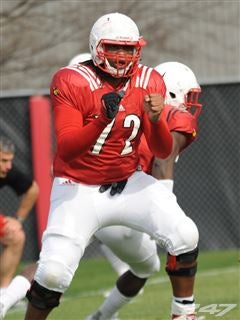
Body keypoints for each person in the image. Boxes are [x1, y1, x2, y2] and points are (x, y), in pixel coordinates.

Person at [24, 12, 199, 320]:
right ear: (96, 47)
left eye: (129, 49)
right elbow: (67, 150)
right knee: (52, 274)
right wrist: (102, 120)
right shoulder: (71, 80)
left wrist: (157, 121)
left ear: (138, 50)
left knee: (185, 234)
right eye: (115, 47)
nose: (122, 56)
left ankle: (183, 313)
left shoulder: (149, 80)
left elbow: (160, 150)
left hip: (128, 182)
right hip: (78, 187)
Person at [85, 62, 202, 320]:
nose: (190, 103)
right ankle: (184, 313)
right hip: (127, 204)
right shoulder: (176, 116)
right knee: (183, 238)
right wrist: (165, 205)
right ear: (171, 92)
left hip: (90, 198)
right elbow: (162, 160)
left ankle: (100, 317)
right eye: (188, 95)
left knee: (53, 270)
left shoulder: (131, 105)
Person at [0, 136, 39, 315]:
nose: (8, 165)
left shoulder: (8, 171)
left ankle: (2, 296)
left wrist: (18, 219)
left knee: (16, 235)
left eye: (10, 160)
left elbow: (33, 189)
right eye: (3, 160)